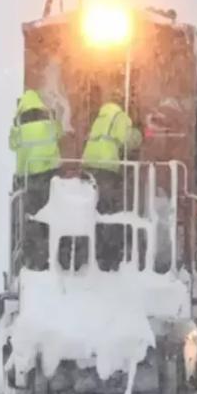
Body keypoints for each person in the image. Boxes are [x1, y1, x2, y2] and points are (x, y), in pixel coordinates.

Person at [81, 102, 142, 270]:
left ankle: (88, 252)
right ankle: (109, 257)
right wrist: (140, 132)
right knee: (110, 211)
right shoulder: (120, 117)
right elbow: (130, 141)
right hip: (105, 165)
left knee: (93, 209)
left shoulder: (101, 117)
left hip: (88, 165)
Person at [9, 89, 62, 271]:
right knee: (52, 215)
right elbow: (59, 133)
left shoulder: (19, 125)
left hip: (30, 177)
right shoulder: (48, 121)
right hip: (51, 175)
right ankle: (54, 256)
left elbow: (12, 144)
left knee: (32, 217)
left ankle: (35, 260)